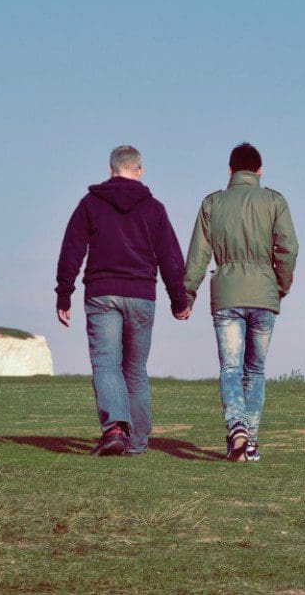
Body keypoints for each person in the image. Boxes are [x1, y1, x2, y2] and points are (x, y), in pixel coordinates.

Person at [55, 145, 190, 457]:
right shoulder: (154, 208)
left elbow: (71, 250)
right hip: (142, 295)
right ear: (139, 170)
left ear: (110, 168)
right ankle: (137, 442)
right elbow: (170, 257)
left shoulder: (90, 203)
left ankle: (115, 428)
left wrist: (64, 293)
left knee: (106, 362)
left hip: (102, 292)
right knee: (135, 369)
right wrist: (179, 301)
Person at [184, 142, 298, 462]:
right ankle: (249, 442)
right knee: (255, 371)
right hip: (264, 293)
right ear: (259, 171)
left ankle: (237, 428)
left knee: (231, 368)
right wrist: (281, 286)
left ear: (230, 170)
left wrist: (188, 292)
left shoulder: (212, 203)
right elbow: (289, 247)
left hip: (226, 296)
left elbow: (198, 254)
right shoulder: (275, 201)